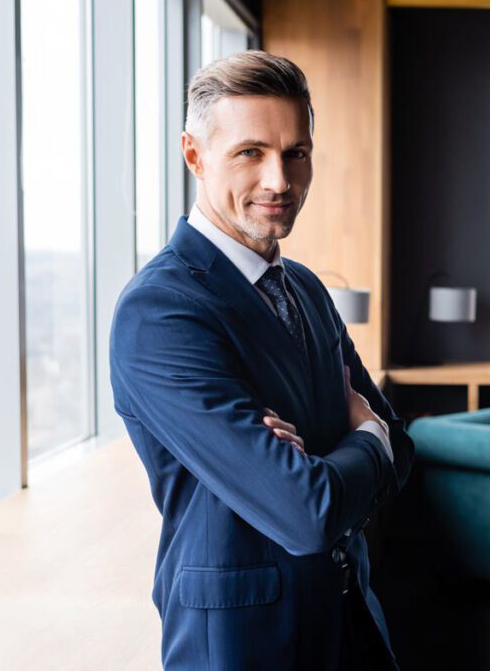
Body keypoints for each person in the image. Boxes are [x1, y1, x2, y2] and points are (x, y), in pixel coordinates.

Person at [109, 50, 413, 670]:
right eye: (251, 152)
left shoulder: (303, 286)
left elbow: (402, 452)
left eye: (296, 153)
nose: (279, 180)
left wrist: (354, 449)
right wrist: (366, 439)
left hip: (349, 618)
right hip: (245, 641)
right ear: (195, 155)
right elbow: (307, 511)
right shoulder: (160, 312)